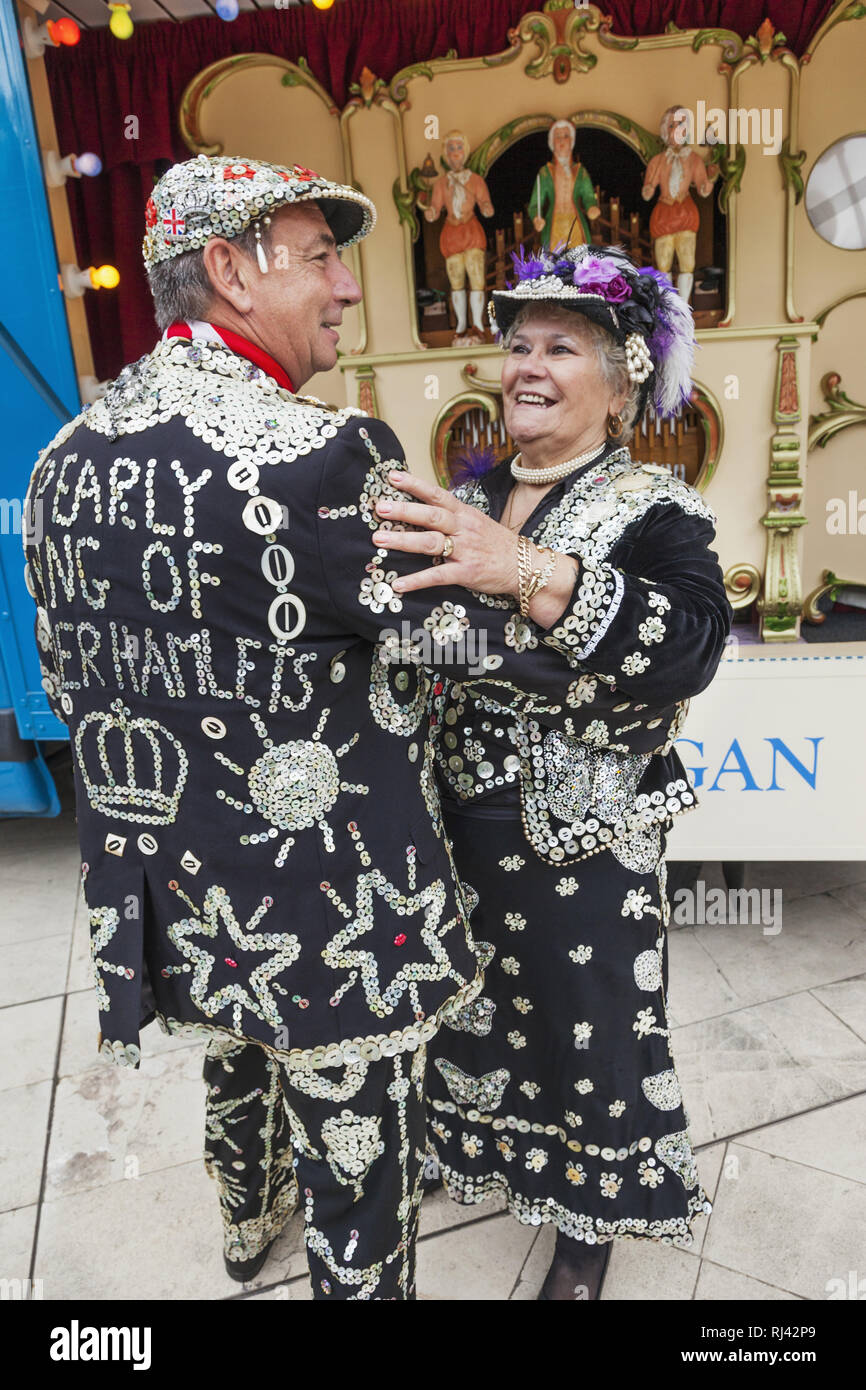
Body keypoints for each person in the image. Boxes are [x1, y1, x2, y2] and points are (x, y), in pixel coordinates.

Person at [22, 155, 639, 1301]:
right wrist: (560, 605)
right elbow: (444, 641)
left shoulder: (64, 459)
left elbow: (69, 679)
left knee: (233, 1046)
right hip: (328, 900)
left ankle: (246, 1223)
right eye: (317, 256)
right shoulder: (322, 455)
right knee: (352, 1136)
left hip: (179, 869)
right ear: (227, 272)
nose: (345, 286)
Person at [368, 243, 733, 1300]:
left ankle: (587, 1228)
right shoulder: (473, 492)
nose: (526, 364)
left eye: (559, 347)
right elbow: (432, 637)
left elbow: (689, 648)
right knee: (471, 1009)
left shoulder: (654, 508)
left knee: (591, 1023)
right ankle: (485, 1153)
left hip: (581, 831)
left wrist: (521, 571)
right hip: (454, 819)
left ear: (619, 385)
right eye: (516, 344)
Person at [642, 104, 719, 302]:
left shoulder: (693, 160)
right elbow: (647, 192)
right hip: (664, 214)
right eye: (671, 125)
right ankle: (668, 304)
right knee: (663, 262)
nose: (676, 129)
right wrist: (648, 189)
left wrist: (710, 178)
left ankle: (683, 304)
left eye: (680, 125)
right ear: (665, 130)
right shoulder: (657, 161)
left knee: (687, 262)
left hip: (685, 213)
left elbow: (703, 188)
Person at [424, 130, 494, 341]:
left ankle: (478, 324)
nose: (455, 152)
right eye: (451, 148)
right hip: (452, 235)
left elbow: (484, 203)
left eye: (459, 147)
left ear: (465, 151)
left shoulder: (475, 180)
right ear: (446, 154)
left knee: (477, 280)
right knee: (456, 282)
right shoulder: (440, 183)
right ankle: (462, 324)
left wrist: (487, 207)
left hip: (471, 232)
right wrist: (431, 212)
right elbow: (435, 208)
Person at [529, 118, 601, 250]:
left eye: (566, 136)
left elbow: (588, 196)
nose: (562, 140)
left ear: (572, 141)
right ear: (552, 142)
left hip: (576, 224)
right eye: (557, 136)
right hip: (554, 224)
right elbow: (534, 204)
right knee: (554, 264)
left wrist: (591, 207)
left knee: (579, 263)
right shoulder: (545, 172)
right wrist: (536, 218)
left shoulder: (580, 171)